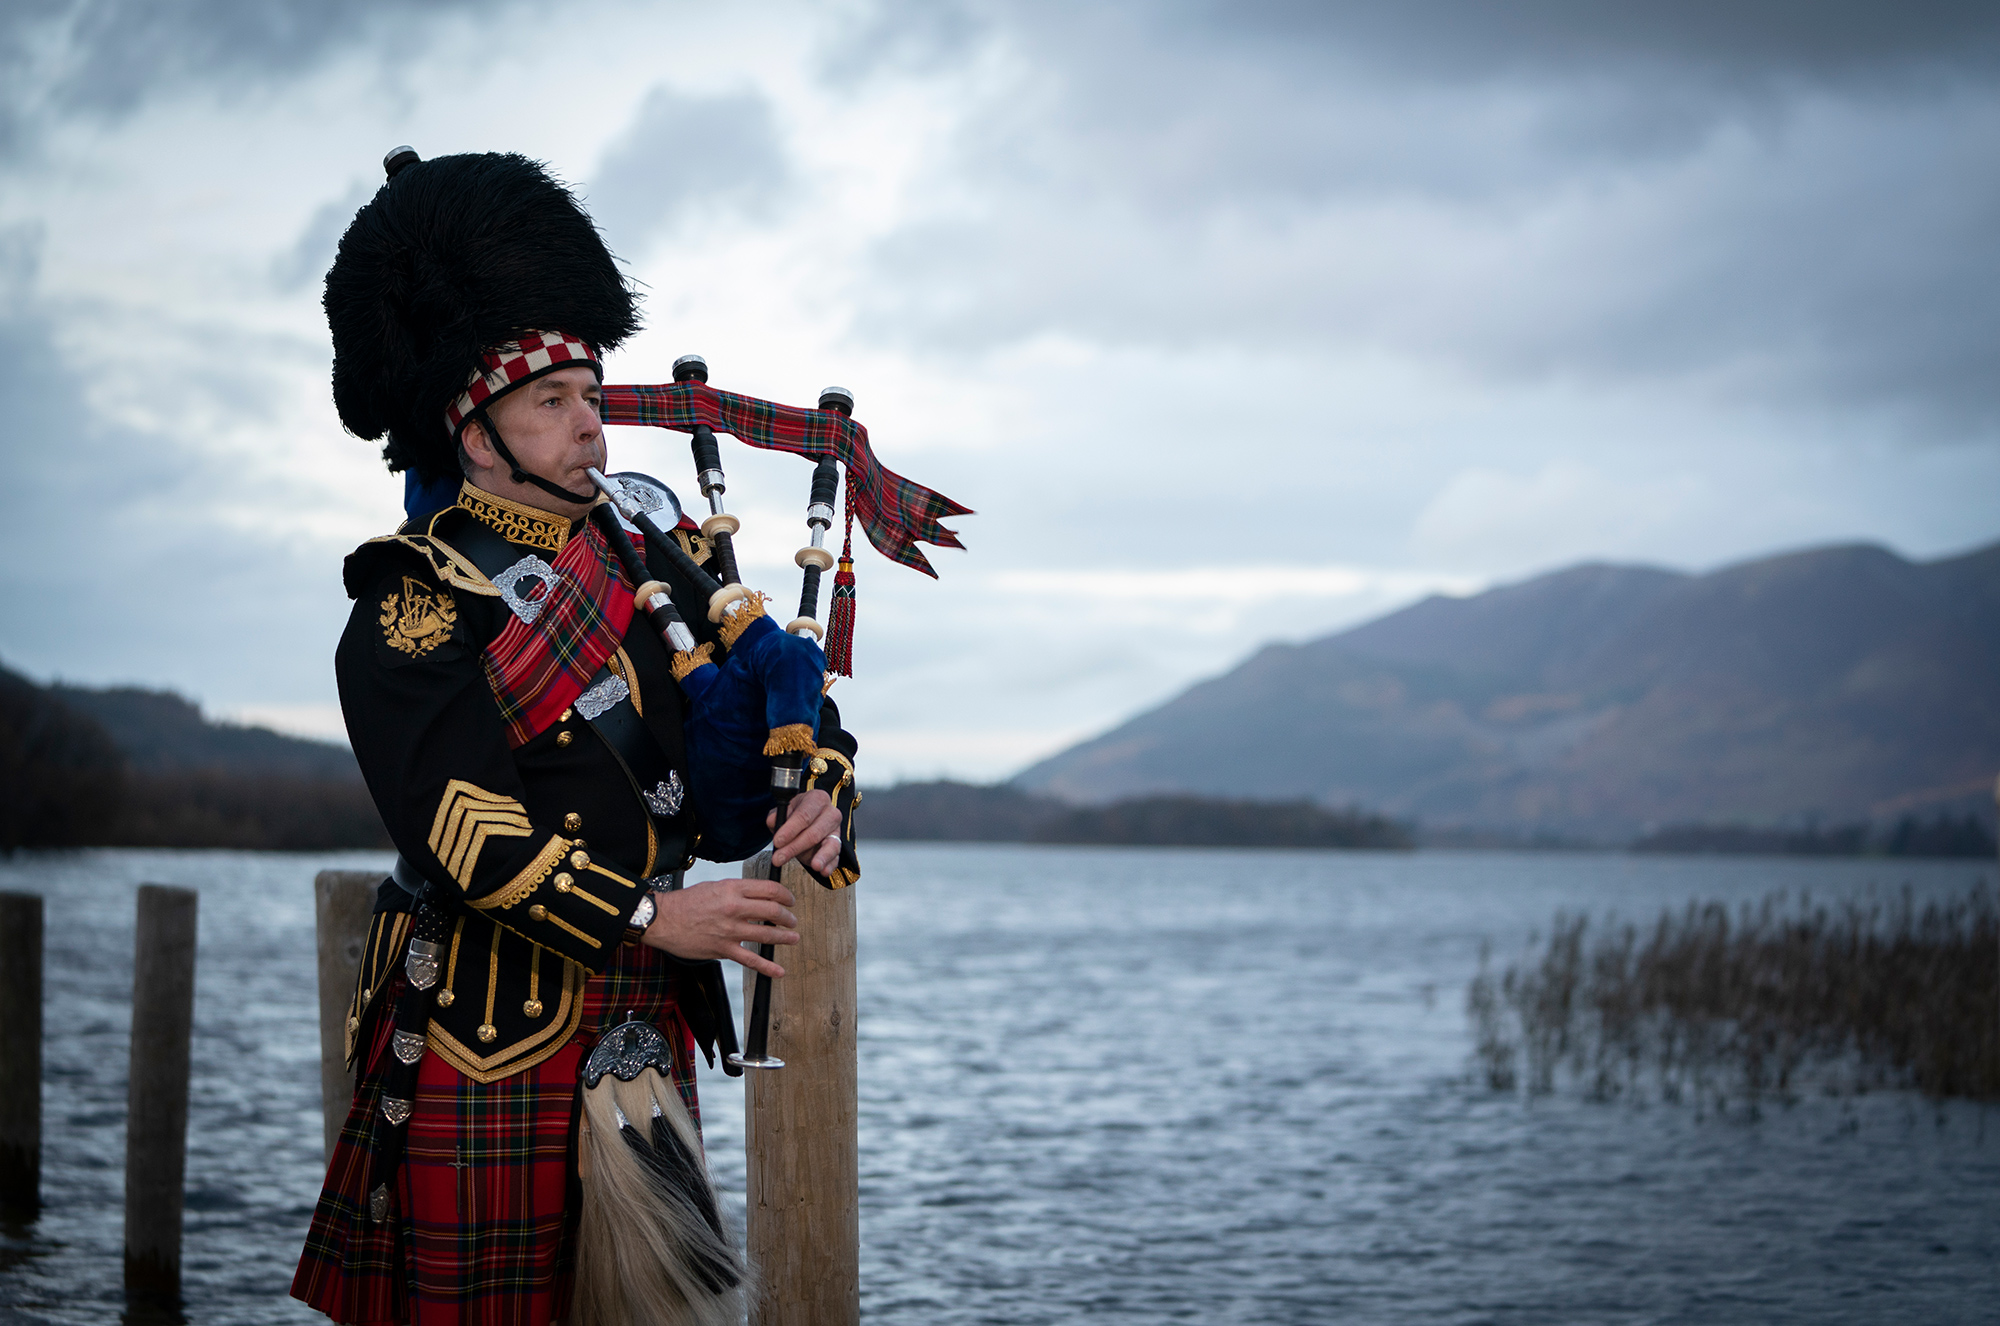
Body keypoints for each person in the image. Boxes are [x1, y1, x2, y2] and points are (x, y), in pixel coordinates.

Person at [291, 149, 860, 1326]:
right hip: (488, 1028)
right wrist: (662, 914)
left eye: (592, 398)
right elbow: (466, 835)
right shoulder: (415, 603)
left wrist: (822, 784)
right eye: (552, 403)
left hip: (642, 1015)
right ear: (472, 426)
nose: (591, 430)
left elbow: (777, 700)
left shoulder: (644, 557)